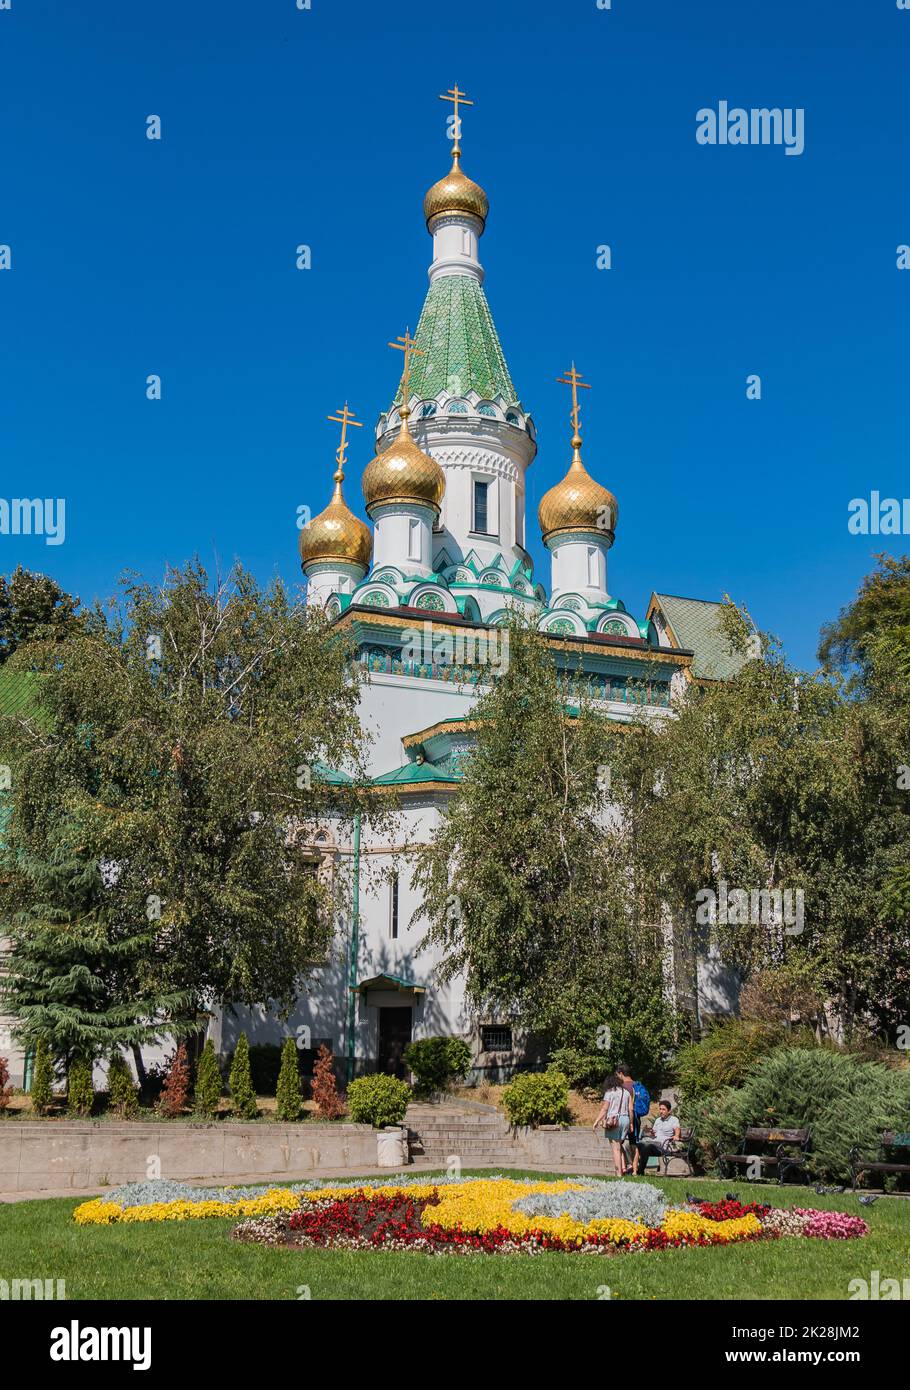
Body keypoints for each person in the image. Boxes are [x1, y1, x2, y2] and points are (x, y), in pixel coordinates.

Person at [593, 1070, 634, 1176]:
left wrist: (597, 1121)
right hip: (625, 1120)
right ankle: (623, 1168)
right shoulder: (627, 1093)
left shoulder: (610, 1092)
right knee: (619, 1146)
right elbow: (631, 1109)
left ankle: (618, 1173)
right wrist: (631, 1123)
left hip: (614, 1121)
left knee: (615, 1149)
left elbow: (604, 1109)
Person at [632, 1099, 681, 1175]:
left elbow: (677, 1129)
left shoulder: (674, 1120)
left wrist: (676, 1136)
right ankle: (633, 1169)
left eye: (663, 1109)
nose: (661, 1111)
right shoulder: (658, 1120)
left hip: (663, 1147)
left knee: (646, 1146)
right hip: (654, 1144)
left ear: (669, 1111)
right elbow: (653, 1134)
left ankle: (640, 1171)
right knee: (638, 1145)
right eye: (660, 1109)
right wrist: (651, 1133)